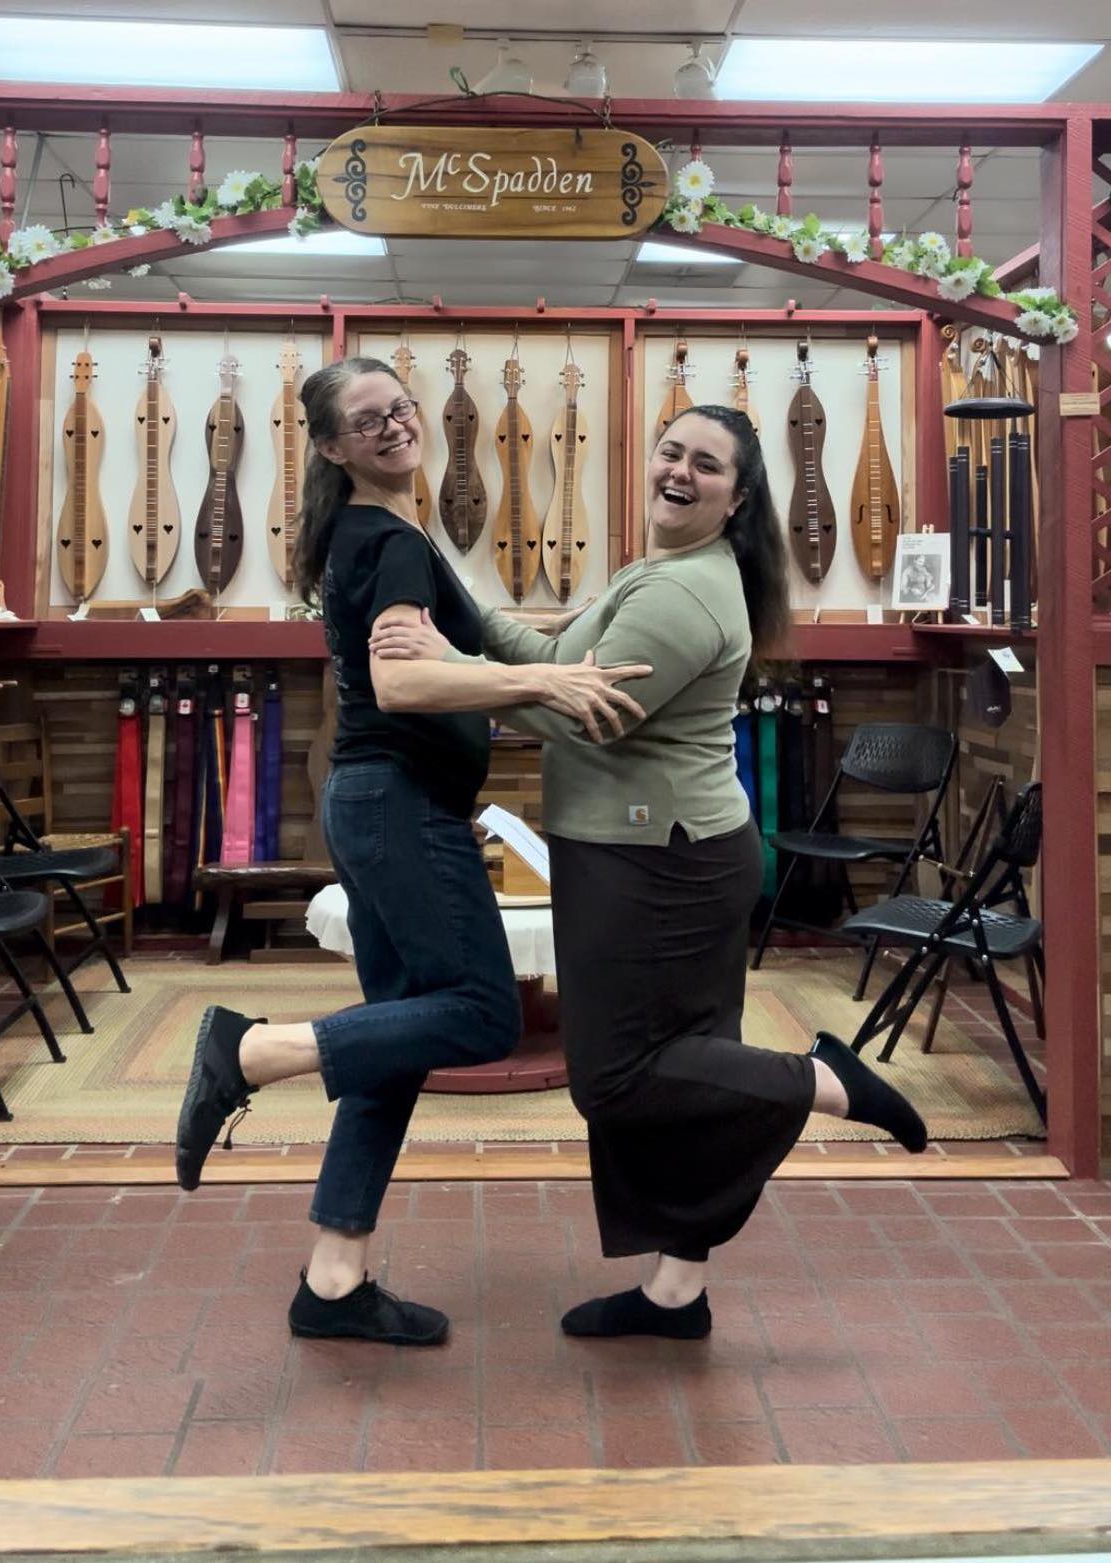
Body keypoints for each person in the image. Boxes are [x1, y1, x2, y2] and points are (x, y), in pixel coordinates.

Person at [370, 404, 928, 1341]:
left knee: (616, 1078)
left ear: (737, 496)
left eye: (704, 465)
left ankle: (821, 1078)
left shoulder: (683, 594)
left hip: (657, 860)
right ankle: (676, 1291)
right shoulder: (659, 569)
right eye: (670, 451)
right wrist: (473, 625)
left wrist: (452, 665)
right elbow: (555, 664)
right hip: (650, 849)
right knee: (681, 1070)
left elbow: (579, 713)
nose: (678, 470)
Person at [174, 357, 650, 1347]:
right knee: (479, 1017)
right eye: (369, 419)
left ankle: (333, 1281)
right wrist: (545, 691)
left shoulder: (387, 532)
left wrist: (589, 630)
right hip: (401, 805)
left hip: (383, 803)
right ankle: (251, 1050)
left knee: (395, 1042)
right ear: (336, 447)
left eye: (400, 407)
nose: (396, 426)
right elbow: (403, 685)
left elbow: (480, 636)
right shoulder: (386, 539)